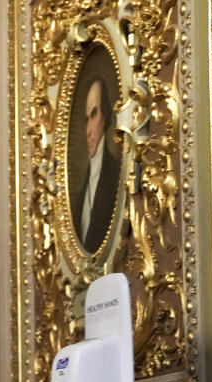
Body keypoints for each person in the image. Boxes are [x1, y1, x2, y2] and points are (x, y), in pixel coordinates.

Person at [71, 76, 120, 253]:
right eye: (86, 119)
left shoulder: (116, 177)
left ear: (106, 117)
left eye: (94, 115)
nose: (88, 131)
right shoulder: (81, 190)